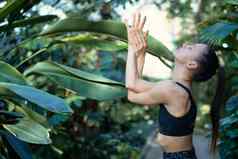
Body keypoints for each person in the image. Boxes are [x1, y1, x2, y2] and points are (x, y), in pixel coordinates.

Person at [124, 12, 225, 159]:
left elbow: (131, 86)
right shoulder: (175, 88)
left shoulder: (172, 90)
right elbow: (132, 91)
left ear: (191, 64)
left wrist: (132, 48)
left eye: (190, 48)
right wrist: (140, 53)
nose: (185, 44)